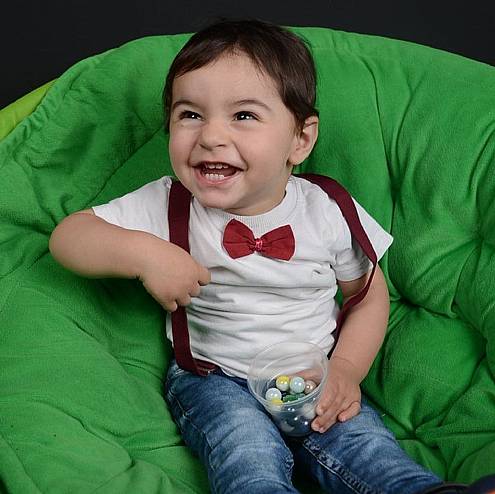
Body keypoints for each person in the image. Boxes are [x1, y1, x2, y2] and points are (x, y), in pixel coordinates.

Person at [49, 18, 471, 494]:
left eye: (244, 116)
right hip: (213, 378)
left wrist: (346, 370)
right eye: (190, 115)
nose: (211, 136)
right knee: (245, 450)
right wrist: (144, 253)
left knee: (363, 445)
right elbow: (69, 236)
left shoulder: (326, 209)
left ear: (300, 140)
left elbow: (368, 296)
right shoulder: (167, 203)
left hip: (313, 374)